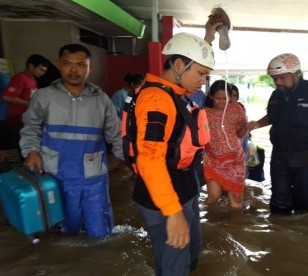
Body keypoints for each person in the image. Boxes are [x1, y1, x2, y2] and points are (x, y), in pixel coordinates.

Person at [131, 30, 217, 275]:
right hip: (164, 195)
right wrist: (172, 211)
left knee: (189, 255)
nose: (203, 81)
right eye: (201, 74)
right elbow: (149, 159)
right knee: (174, 265)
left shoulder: (176, 95)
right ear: (179, 65)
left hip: (184, 185)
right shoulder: (157, 100)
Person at [20, 44, 124, 238]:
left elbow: (116, 135)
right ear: (59, 65)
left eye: (80, 65)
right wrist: (31, 152)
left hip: (93, 179)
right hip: (56, 175)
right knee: (66, 233)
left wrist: (133, 160)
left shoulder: (101, 100)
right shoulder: (44, 96)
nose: (74, 70)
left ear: (89, 68)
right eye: (68, 64)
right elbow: (30, 128)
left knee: (101, 233)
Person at [246, 53, 308, 215]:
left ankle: (301, 233)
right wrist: (255, 125)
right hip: (280, 156)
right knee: (278, 201)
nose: (277, 82)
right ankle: (279, 232)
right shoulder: (276, 94)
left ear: (297, 73)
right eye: (274, 78)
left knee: (304, 201)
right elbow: (273, 116)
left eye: (282, 77)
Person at [203, 80, 247, 208]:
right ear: (211, 96)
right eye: (218, 98)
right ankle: (203, 220)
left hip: (235, 160)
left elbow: (240, 134)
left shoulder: (237, 109)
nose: (222, 102)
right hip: (213, 160)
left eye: (225, 98)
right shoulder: (204, 113)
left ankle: (235, 226)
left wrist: (247, 127)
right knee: (213, 197)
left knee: (236, 200)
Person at [2, 54, 49, 151]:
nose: (42, 73)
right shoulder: (20, 78)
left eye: (44, 71)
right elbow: (7, 97)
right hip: (17, 118)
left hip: (27, 117)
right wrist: (30, 104)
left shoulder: (32, 79)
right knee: (24, 145)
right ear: (31, 66)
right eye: (40, 69)